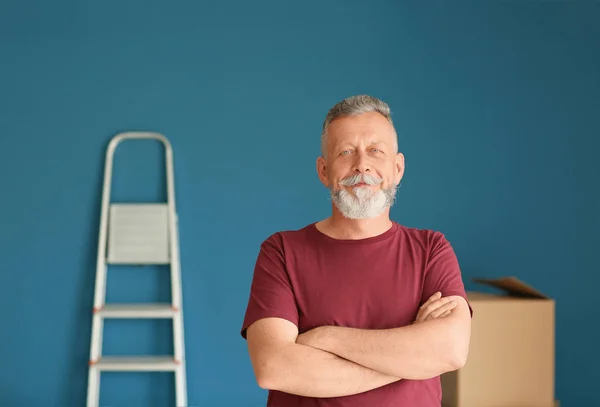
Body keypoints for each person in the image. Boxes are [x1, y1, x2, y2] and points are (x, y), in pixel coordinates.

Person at [240, 95, 472, 407]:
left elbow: (450, 351)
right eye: (346, 152)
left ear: (397, 167)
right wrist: (410, 359)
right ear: (324, 171)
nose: (362, 164)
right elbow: (274, 369)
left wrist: (326, 338)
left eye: (375, 151)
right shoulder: (281, 251)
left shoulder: (431, 249)